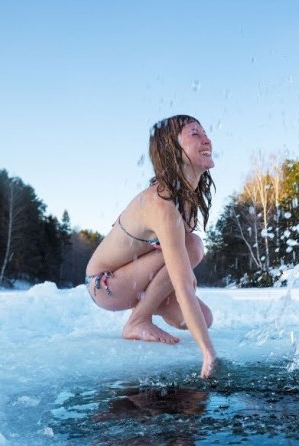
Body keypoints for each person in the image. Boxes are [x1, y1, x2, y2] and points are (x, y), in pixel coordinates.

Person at [85, 115, 219, 378]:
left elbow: (179, 275)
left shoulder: (188, 200)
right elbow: (180, 278)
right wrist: (208, 353)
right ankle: (137, 321)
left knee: (203, 318)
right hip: (105, 284)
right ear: (172, 150)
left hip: (137, 279)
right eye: (195, 134)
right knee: (193, 246)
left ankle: (143, 314)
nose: (207, 139)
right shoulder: (162, 203)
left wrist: (186, 286)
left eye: (205, 132)